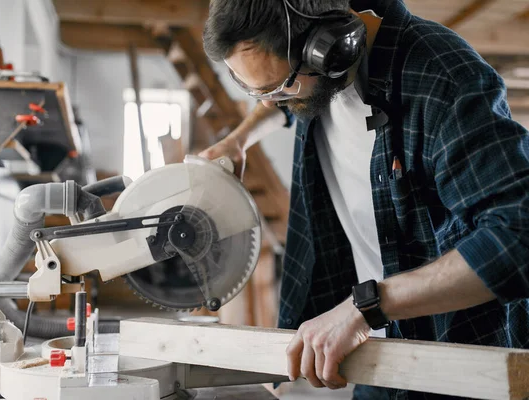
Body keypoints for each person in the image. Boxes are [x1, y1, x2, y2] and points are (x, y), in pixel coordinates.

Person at [199, 0, 529, 399]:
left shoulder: (444, 76)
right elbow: (281, 102)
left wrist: (364, 307)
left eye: (281, 85)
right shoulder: (309, 75)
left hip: (460, 356)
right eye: (254, 87)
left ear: (332, 47)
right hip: (376, 347)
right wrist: (239, 140)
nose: (274, 99)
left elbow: (517, 236)